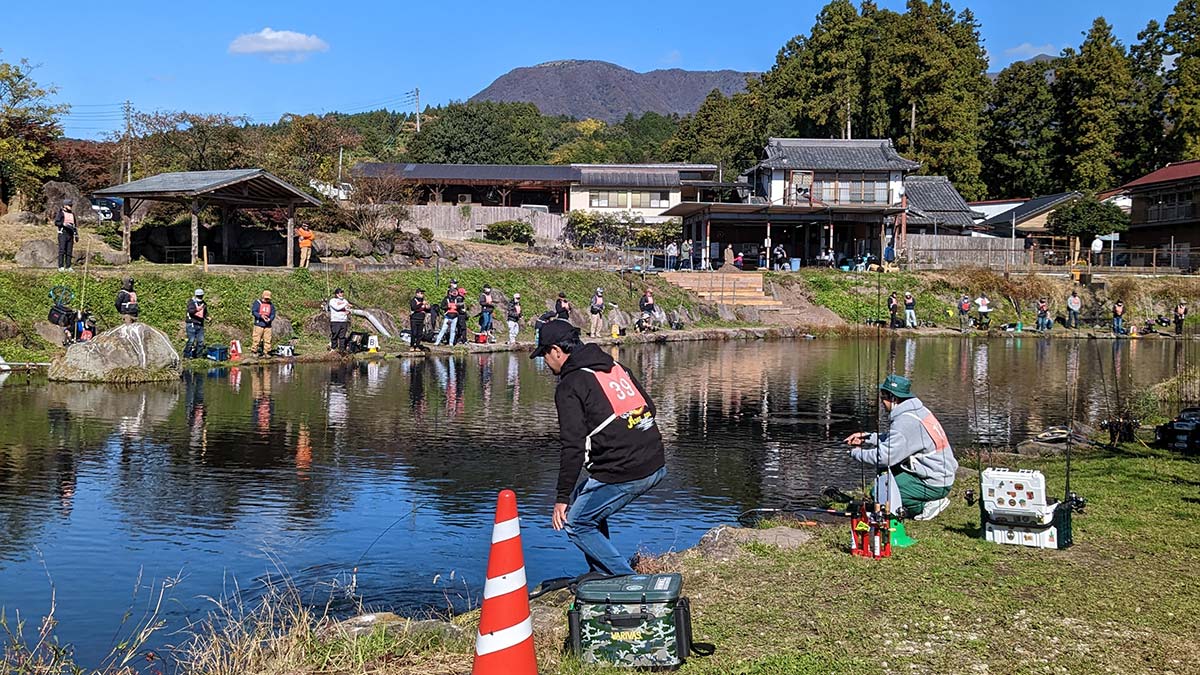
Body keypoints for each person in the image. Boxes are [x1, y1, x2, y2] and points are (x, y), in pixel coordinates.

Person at [532, 319, 666, 576]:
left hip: (626, 469)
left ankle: (625, 579)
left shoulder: (570, 385)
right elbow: (650, 407)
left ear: (557, 351)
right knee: (583, 498)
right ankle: (602, 572)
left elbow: (572, 446)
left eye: (544, 355)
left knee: (576, 522)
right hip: (655, 460)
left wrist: (560, 498)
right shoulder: (614, 367)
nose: (544, 362)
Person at [844, 374, 958, 521]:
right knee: (886, 480)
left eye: (882, 398)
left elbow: (883, 457)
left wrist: (855, 453)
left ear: (893, 398)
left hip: (934, 482)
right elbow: (897, 441)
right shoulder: (918, 411)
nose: (881, 403)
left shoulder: (905, 423)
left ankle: (927, 506)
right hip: (940, 473)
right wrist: (867, 437)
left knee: (879, 493)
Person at [54, 199, 78, 271]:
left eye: (71, 205)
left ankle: (68, 266)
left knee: (69, 251)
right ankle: (61, 266)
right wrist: (63, 224)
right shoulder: (61, 213)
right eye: (69, 205)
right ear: (65, 206)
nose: (71, 207)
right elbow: (56, 222)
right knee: (62, 250)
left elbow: (74, 225)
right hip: (63, 233)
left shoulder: (72, 214)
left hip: (70, 234)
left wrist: (76, 234)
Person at [250, 290, 276, 356]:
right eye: (265, 298)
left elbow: (273, 314)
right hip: (259, 324)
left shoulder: (271, 305)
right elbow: (254, 312)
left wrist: (270, 319)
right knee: (256, 338)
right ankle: (254, 351)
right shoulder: (257, 303)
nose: (267, 300)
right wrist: (261, 316)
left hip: (268, 325)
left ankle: (267, 352)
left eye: (268, 299)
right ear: (263, 296)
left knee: (268, 339)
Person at [184, 288, 207, 358]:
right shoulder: (191, 302)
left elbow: (205, 313)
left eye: (201, 296)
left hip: (200, 324)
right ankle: (186, 356)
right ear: (196, 295)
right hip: (192, 324)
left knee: (201, 342)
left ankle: (198, 356)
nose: (200, 297)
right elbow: (190, 311)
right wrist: (197, 309)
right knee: (191, 341)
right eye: (199, 296)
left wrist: (207, 317)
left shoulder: (204, 303)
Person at [328, 288, 351, 353]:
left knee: (342, 336)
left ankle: (342, 349)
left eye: (342, 292)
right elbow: (337, 308)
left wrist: (349, 311)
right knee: (335, 335)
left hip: (344, 321)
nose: (341, 294)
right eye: (340, 293)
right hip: (335, 320)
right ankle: (333, 348)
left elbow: (348, 309)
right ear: (336, 294)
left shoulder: (345, 300)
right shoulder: (333, 301)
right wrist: (345, 304)